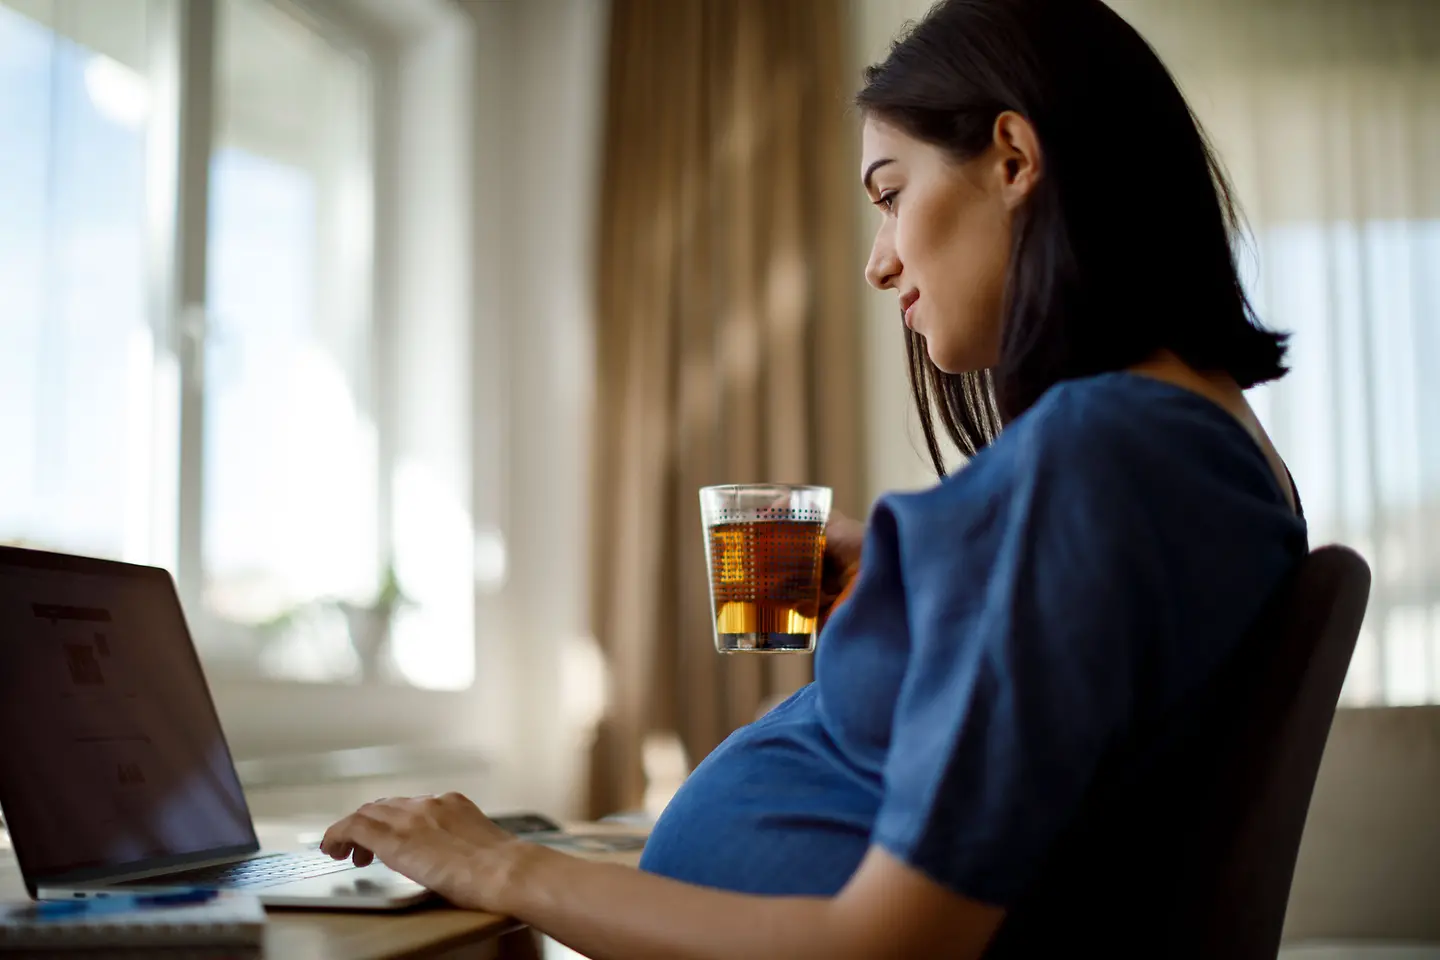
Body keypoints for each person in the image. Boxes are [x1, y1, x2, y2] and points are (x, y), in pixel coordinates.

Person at [320, 0, 1308, 955]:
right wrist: (913, 578)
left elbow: (887, 944)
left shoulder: (1102, 451)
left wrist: (499, 865)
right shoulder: (1199, 456)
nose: (879, 263)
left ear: (1012, 157)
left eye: (890, 194)